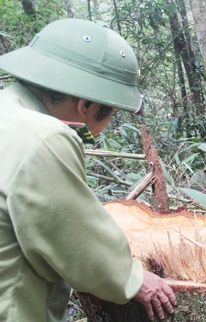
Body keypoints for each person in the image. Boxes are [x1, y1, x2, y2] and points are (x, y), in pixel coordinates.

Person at [0, 19, 176, 321]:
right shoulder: (45, 137)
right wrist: (131, 278)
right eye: (111, 112)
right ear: (85, 105)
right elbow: (76, 241)